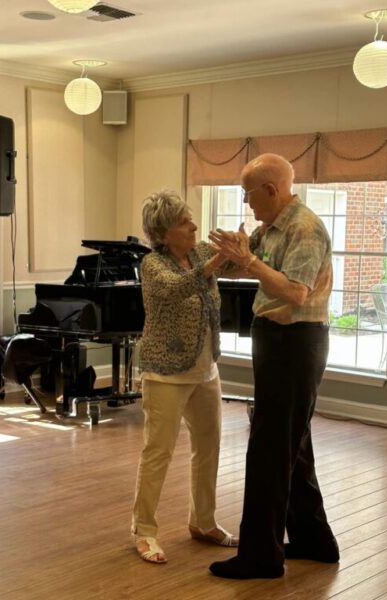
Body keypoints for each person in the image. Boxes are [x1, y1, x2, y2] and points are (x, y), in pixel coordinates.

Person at [207, 153, 339, 579]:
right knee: (292, 445)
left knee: (268, 449)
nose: (246, 203)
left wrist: (249, 262)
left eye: (248, 194)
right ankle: (314, 541)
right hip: (280, 341)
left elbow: (296, 293)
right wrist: (236, 253)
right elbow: (255, 266)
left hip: (295, 343)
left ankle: (261, 556)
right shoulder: (273, 229)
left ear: (271, 190)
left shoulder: (304, 228)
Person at [131, 190, 239, 564]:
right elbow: (175, 289)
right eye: (184, 222)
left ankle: (203, 522)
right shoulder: (151, 265)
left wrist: (241, 246)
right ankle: (144, 531)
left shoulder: (201, 254)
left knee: (209, 448)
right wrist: (215, 263)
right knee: (157, 452)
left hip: (206, 370)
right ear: (164, 233)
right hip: (166, 375)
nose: (194, 226)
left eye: (191, 219)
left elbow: (236, 266)